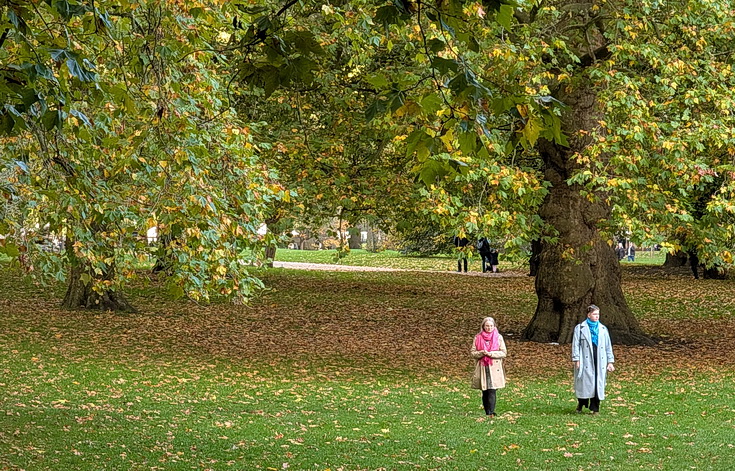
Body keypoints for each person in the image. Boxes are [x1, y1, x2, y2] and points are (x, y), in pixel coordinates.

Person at [571, 305, 615, 415]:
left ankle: (595, 408)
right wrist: (577, 359)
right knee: (584, 383)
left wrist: (610, 361)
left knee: (597, 383)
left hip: (599, 359)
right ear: (589, 315)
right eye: (595, 314)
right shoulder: (580, 328)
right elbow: (575, 344)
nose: (597, 317)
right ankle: (581, 403)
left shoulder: (603, 329)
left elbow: (608, 346)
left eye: (598, 314)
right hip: (585, 359)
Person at [471, 317, 507, 416]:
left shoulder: (498, 337)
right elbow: (473, 353)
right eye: (487, 326)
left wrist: (491, 354)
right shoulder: (478, 337)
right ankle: (487, 411)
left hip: (494, 367)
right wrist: (482, 353)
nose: (489, 328)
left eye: (491, 326)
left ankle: (491, 412)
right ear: (483, 326)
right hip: (482, 367)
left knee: (492, 389)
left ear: (494, 326)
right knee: (485, 390)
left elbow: (503, 353)